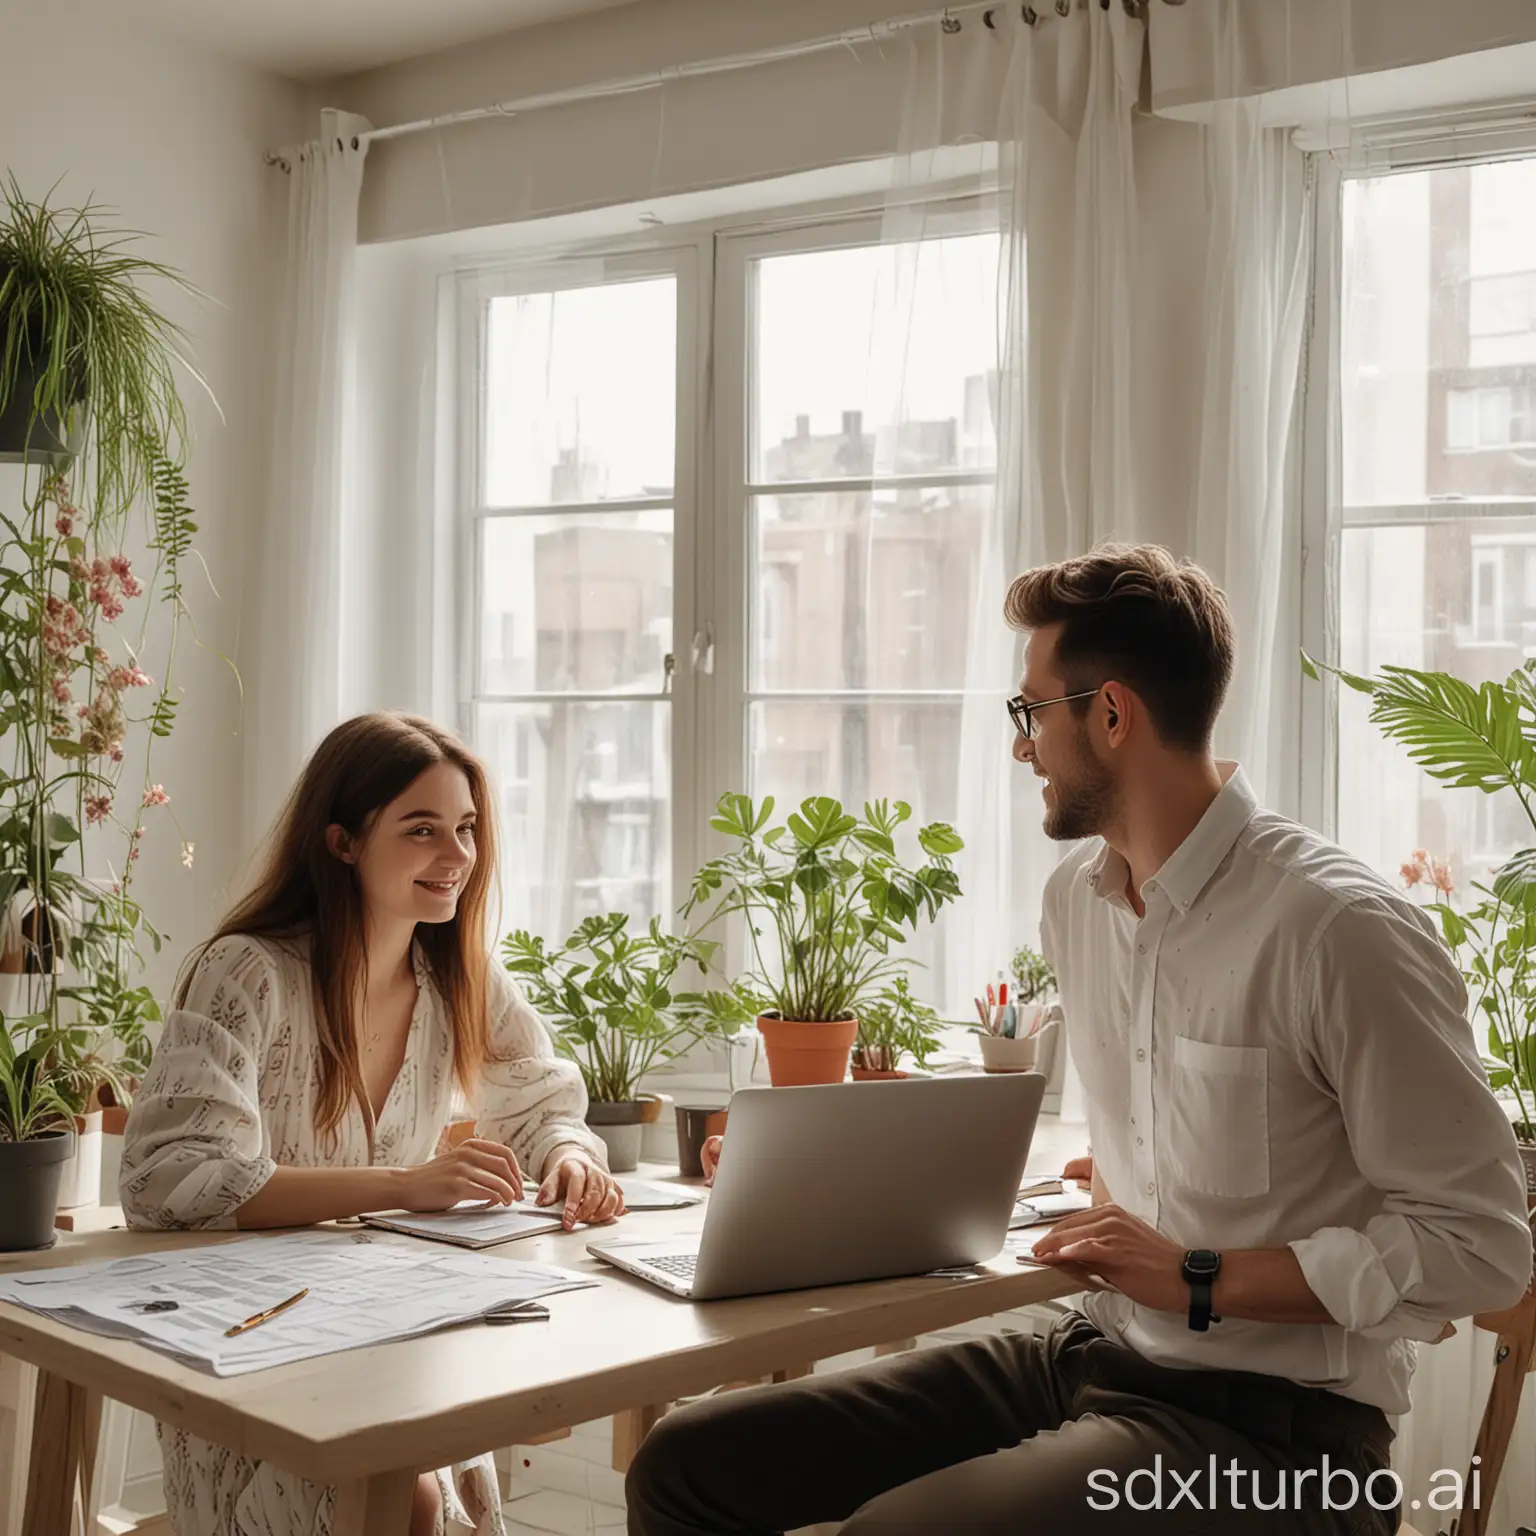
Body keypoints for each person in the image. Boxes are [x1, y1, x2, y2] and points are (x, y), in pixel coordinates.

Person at [625, 543, 1533, 1535]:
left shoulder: (1338, 928)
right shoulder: (1082, 903)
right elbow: (1168, 1170)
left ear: (1110, 715)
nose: (1022, 748)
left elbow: (1481, 1247)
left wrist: (1200, 1273)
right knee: (689, 1463)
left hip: (1290, 1442)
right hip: (1092, 1358)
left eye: (1031, 713)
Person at [120, 712, 624, 1536]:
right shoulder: (248, 971)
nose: (457, 855)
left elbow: (541, 1103)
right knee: (407, 1502)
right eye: (422, 829)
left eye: (465, 828)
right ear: (343, 841)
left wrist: (569, 1155)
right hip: (253, 1350)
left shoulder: (457, 974)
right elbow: (167, 1182)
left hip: (397, 1333)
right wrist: (403, 1185)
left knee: (419, 1496)